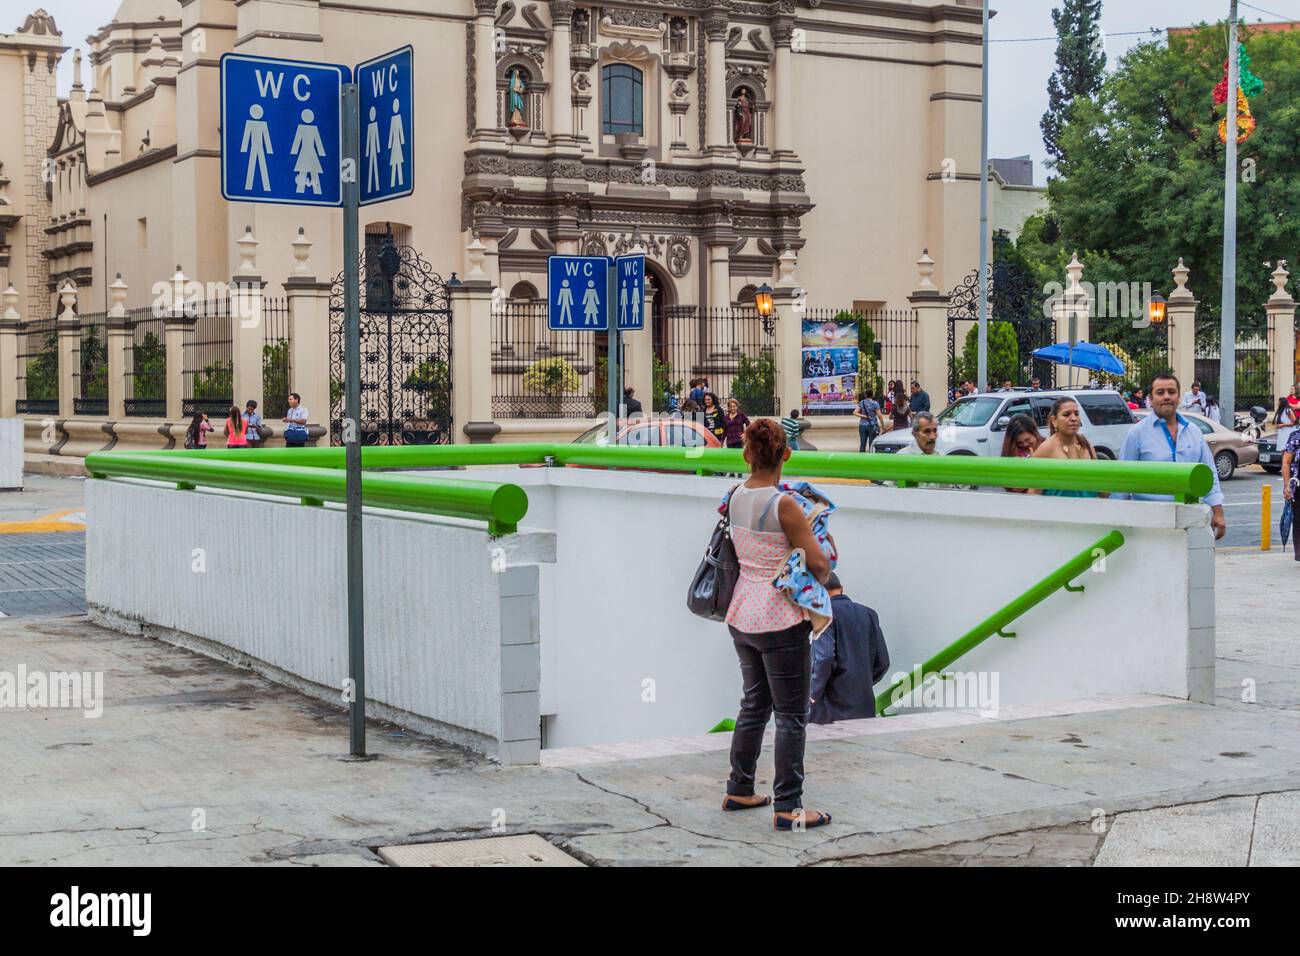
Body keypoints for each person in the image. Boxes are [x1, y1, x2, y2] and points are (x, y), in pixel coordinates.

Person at [719, 418, 832, 830]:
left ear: (747, 454)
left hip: (742, 612)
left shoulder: (734, 496)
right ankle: (788, 806)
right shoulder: (784, 505)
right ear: (786, 454)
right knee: (790, 715)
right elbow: (818, 564)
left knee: (753, 705)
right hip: (780, 618)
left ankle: (740, 786)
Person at [1119, 372, 1226, 540]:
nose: (1166, 397)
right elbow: (1123, 480)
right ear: (1151, 398)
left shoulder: (1193, 431)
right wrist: (1121, 522)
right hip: (1150, 523)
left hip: (1190, 520)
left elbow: (1209, 473)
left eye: (1171, 392)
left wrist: (1218, 512)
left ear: (1178, 396)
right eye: (1160, 393)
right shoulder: (1136, 433)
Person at [809, 572, 890, 724]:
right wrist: (859, 684)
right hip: (864, 707)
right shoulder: (869, 614)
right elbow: (883, 662)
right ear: (841, 589)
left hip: (828, 711)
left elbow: (824, 657)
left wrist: (813, 693)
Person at [1029, 397, 1105, 498]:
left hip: (1089, 510)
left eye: (1076, 414)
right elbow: (1034, 491)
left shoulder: (1085, 443)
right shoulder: (1046, 448)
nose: (1073, 418)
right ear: (1054, 421)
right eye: (1066, 414)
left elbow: (1099, 482)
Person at [1000, 413, 1042, 493]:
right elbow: (1015, 488)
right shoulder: (1014, 453)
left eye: (1027, 440)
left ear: (1035, 433)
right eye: (1020, 442)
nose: (1025, 444)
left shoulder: (1046, 447)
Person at [1281, 428, 1300, 560]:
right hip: (1298, 485)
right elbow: (1286, 463)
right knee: (1298, 519)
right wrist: (1287, 485)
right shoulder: (1295, 437)